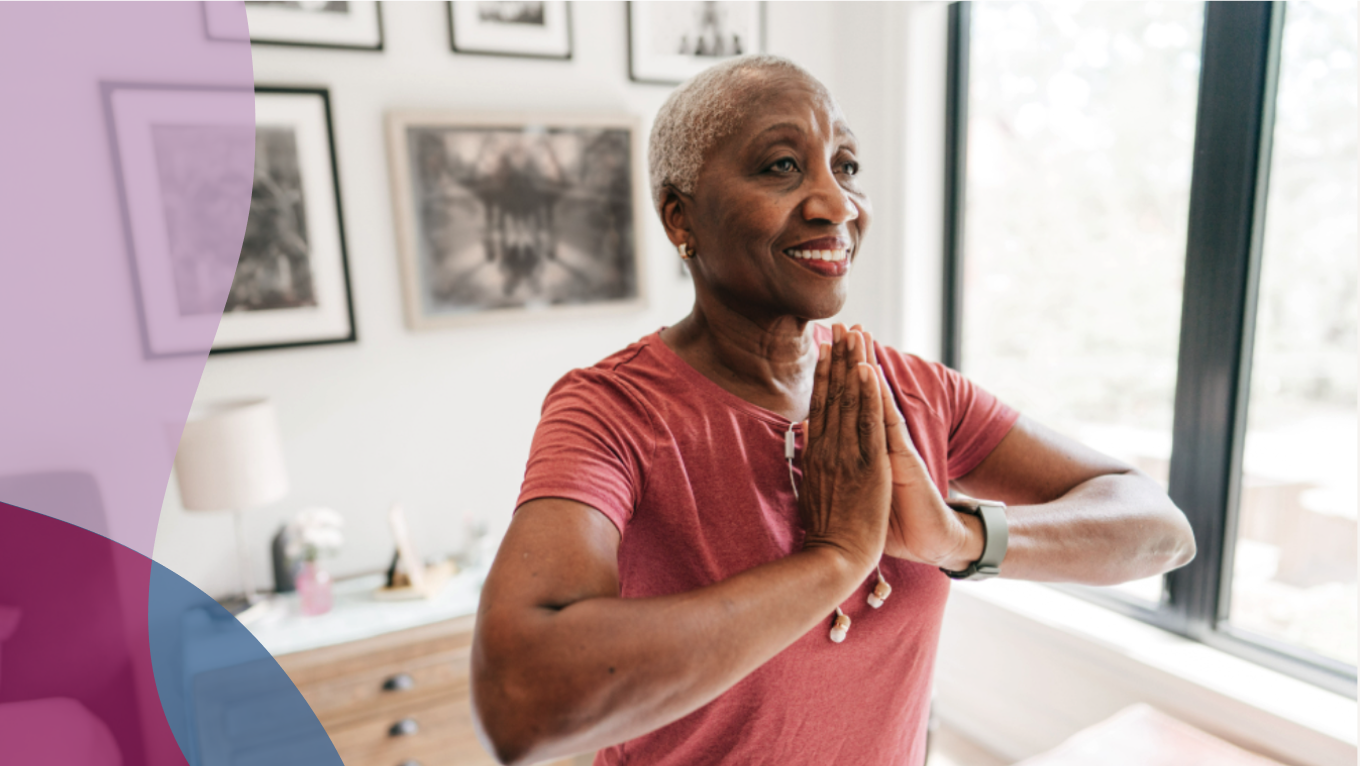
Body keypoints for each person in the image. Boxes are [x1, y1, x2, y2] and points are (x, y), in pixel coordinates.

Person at [470, 54, 1196, 766]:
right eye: (782, 166)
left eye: (845, 166)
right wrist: (836, 559)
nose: (836, 204)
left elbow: (1161, 530)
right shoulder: (613, 412)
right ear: (678, 216)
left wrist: (954, 537)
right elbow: (520, 704)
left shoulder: (911, 391)